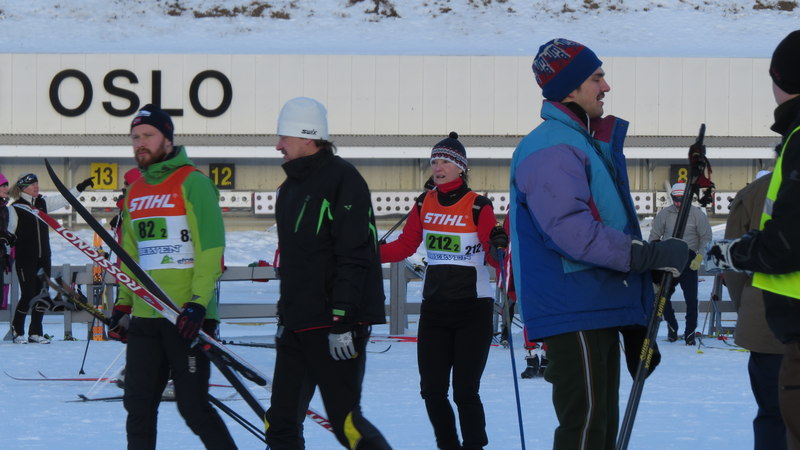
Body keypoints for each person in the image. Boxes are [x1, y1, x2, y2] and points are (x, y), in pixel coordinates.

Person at [509, 38, 689, 449]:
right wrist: (645, 255)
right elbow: (571, 231)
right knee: (586, 429)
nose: (606, 87)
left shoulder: (582, 141)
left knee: (601, 430)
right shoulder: (551, 146)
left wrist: (642, 288)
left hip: (594, 304)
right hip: (573, 308)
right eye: (596, 77)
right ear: (569, 88)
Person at [264, 97, 391, 449]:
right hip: (297, 323)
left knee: (347, 424)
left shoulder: (343, 180)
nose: (278, 146)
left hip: (335, 325)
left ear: (307, 137)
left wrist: (343, 319)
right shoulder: (289, 189)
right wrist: (285, 313)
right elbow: (296, 261)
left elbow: (355, 253)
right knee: (279, 422)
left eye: (284, 137)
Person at [107, 104, 236, 449]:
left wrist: (198, 304)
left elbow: (210, 249)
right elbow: (131, 255)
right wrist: (123, 303)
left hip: (187, 316)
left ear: (168, 139)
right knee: (137, 405)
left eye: (148, 135)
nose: (140, 143)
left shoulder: (194, 183)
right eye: (135, 137)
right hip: (147, 316)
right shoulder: (135, 192)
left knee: (193, 408)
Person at [380, 131, 507, 449]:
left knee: (465, 392)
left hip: (472, 310)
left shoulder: (477, 205)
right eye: (434, 161)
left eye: (445, 162)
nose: (437, 167)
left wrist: (499, 244)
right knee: (432, 391)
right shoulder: (424, 203)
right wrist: (364, 252)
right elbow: (404, 247)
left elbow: (495, 258)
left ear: (461, 167)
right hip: (435, 309)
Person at [705, 29, 800, 450]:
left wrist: (734, 255)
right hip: (776, 321)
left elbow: (783, 243)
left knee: (774, 416)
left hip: (780, 321)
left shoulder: (796, 143)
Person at [723, 171, 787, 450]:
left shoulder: (754, 192)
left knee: (773, 415)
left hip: (766, 324)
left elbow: (732, 262)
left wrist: (747, 307)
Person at [8, 172, 93, 344]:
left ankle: (35, 333)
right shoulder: (15, 207)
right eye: (32, 184)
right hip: (25, 258)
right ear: (23, 188)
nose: (36, 187)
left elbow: (64, 199)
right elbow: (10, 232)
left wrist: (80, 188)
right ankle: (17, 331)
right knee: (28, 294)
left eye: (37, 183)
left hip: (44, 257)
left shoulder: (42, 203)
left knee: (42, 294)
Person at [648, 182, 712, 345]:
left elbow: (706, 238)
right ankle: (672, 326)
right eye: (675, 200)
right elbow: (654, 237)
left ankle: (690, 332)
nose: (677, 203)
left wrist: (699, 257)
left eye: (680, 200)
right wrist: (654, 257)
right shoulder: (665, 214)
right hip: (668, 258)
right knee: (662, 296)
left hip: (689, 259)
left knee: (691, 298)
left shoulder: (697, 215)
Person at [0, 173, 14, 311]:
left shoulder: (4, 208)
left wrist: (9, 237)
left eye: (6, 185)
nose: (6, 188)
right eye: (3, 185)